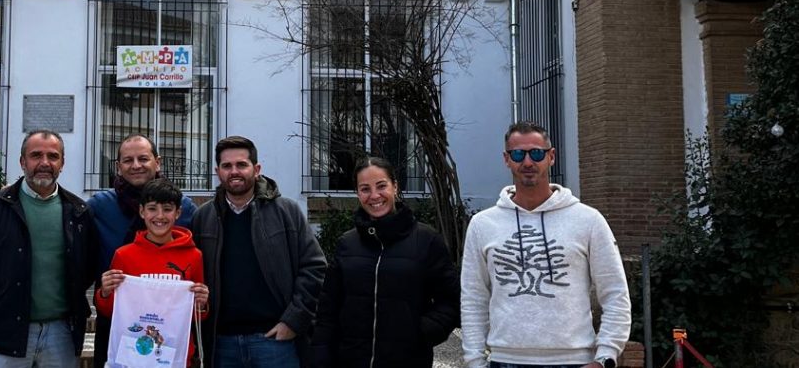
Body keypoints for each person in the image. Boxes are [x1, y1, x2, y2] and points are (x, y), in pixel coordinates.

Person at [460, 121, 631, 368]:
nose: (528, 162)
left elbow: (615, 292)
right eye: (518, 154)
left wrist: (605, 357)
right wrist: (475, 361)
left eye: (536, 153)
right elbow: (474, 297)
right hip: (505, 360)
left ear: (551, 157)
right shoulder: (482, 224)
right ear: (507, 159)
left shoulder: (588, 220)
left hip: (575, 360)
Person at [0, 129, 99, 368]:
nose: (44, 163)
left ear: (62, 164)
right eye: (36, 155)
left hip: (61, 334)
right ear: (22, 162)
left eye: (53, 156)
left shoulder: (78, 211)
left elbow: (88, 266)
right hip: (4, 330)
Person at [191, 135, 327, 367]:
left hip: (274, 341)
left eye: (241, 164)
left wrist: (294, 321)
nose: (234, 171)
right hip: (222, 343)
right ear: (218, 171)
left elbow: (314, 268)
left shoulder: (286, 212)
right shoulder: (203, 217)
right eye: (227, 166)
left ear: (256, 169)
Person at [310, 157, 460, 367]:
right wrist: (320, 356)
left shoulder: (427, 240)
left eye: (381, 186)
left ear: (395, 186)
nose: (374, 196)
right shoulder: (347, 243)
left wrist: (422, 332)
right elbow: (328, 309)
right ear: (357, 193)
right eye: (365, 189)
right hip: (350, 360)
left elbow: (451, 301)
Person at [88, 133, 200, 365]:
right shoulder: (99, 206)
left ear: (157, 162)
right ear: (118, 167)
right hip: (116, 321)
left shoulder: (186, 208)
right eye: (128, 160)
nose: (136, 165)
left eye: (143, 158)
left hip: (169, 329)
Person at [95, 179, 210, 367]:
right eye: (152, 208)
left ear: (178, 213)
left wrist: (202, 303)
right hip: (134, 355)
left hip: (175, 356)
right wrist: (105, 292)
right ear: (142, 212)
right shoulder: (124, 255)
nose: (160, 216)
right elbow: (110, 311)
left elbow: (197, 314)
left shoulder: (193, 256)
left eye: (167, 209)